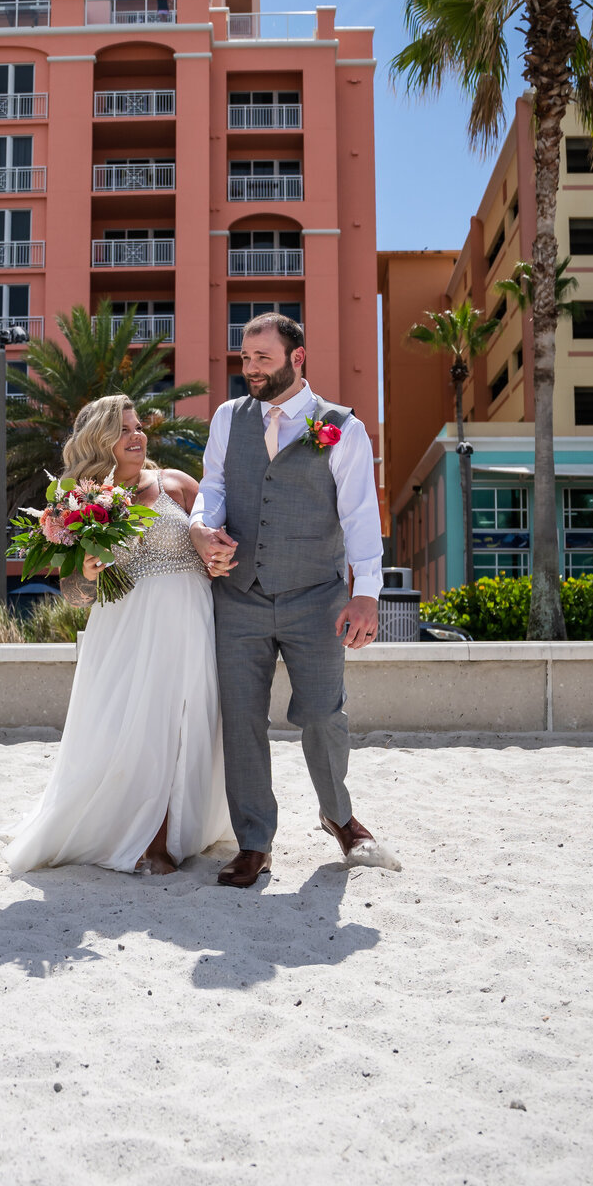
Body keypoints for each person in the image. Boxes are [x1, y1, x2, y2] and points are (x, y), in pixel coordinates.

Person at [189, 313, 398, 888]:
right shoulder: (230, 418)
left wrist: (366, 596)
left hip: (318, 596)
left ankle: (339, 816)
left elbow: (359, 516)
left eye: (263, 359)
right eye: (245, 359)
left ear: (296, 358)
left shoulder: (341, 428)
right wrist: (202, 528)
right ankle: (255, 842)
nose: (250, 369)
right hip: (239, 596)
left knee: (323, 714)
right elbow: (214, 488)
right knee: (241, 720)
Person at [3, 395, 227, 877]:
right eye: (124, 430)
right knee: (136, 730)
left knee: (183, 724)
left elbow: (216, 541)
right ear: (100, 441)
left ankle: (165, 838)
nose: (137, 435)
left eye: (138, 425)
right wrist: (84, 570)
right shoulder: (78, 501)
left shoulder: (178, 485)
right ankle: (145, 837)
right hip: (124, 629)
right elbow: (75, 592)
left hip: (188, 619)